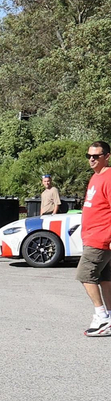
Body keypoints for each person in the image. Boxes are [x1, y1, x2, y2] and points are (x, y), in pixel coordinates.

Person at [77, 141, 111, 336]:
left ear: (107, 156)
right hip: (93, 235)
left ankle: (101, 316)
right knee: (105, 278)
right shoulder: (95, 177)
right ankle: (109, 317)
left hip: (101, 237)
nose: (91, 159)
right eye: (89, 155)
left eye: (96, 156)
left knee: (85, 275)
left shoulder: (109, 177)